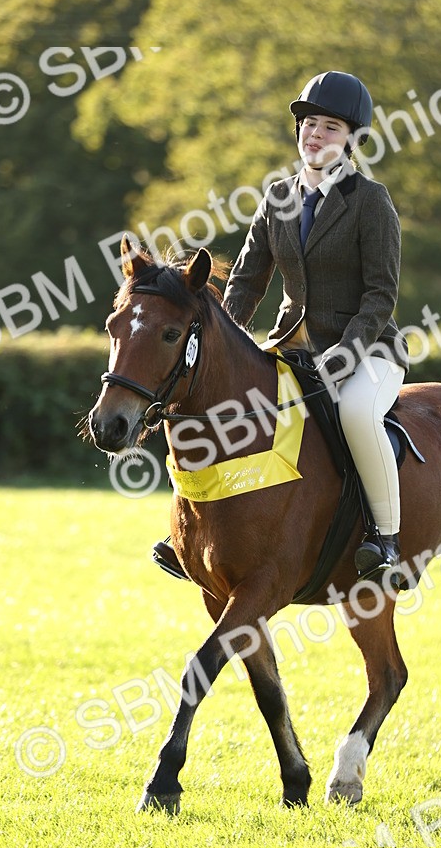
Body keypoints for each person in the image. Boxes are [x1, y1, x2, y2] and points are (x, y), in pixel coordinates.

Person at [154, 70, 409, 582]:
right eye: (309, 122)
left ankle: (385, 541)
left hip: (369, 351)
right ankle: (192, 530)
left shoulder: (370, 201)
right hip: (291, 347)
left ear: (353, 140)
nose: (315, 133)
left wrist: (349, 351)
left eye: (330, 127)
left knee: (357, 414)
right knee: (220, 402)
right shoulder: (278, 198)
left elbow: (381, 294)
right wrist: (216, 340)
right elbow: (247, 281)